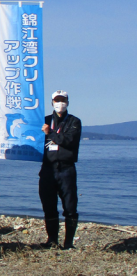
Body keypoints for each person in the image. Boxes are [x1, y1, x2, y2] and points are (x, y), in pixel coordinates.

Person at [39, 90, 82, 249]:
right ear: (52, 103)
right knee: (49, 206)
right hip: (48, 169)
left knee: (70, 207)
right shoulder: (45, 121)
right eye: (57, 100)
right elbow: (26, 134)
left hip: (66, 169)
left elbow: (69, 140)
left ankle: (69, 242)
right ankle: (52, 240)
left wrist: (50, 133)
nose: (60, 103)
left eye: (63, 100)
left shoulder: (74, 122)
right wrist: (1, 128)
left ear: (68, 102)